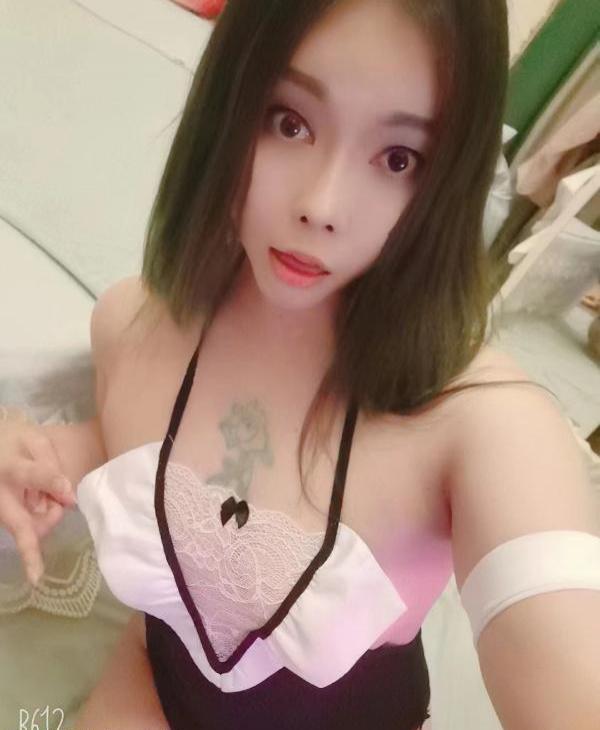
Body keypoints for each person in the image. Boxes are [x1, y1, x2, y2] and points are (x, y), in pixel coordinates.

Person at [1, 1, 600, 728]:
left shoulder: (480, 422)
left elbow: (562, 649)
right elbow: (137, 449)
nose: (322, 205)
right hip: (149, 682)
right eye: (290, 122)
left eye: (399, 158)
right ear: (228, 105)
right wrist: (32, 452)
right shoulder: (132, 324)